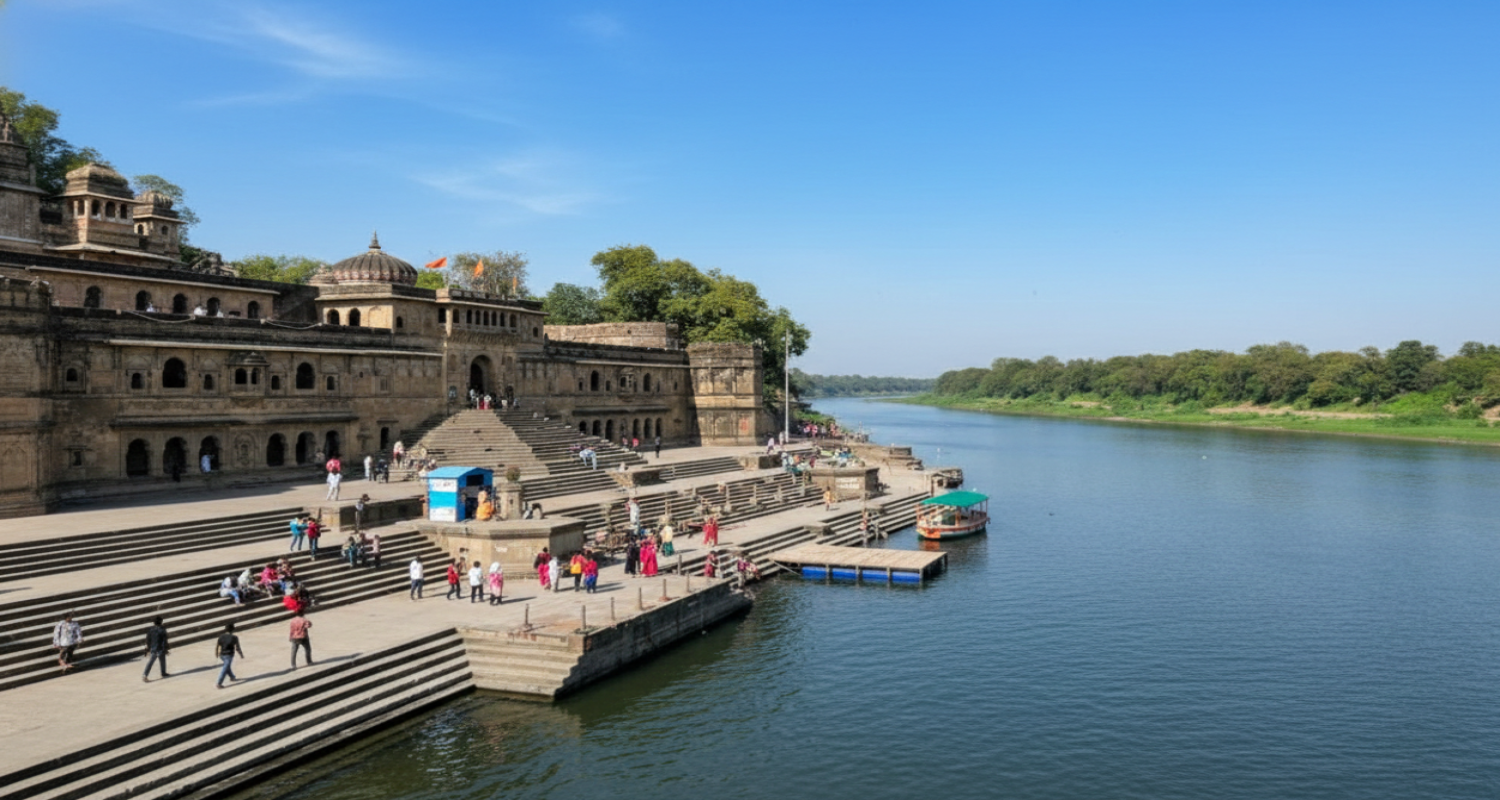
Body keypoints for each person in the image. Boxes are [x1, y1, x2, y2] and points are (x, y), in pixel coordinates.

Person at [215, 622, 245, 689]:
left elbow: (217, 646)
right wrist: (241, 654)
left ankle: (232, 677)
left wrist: (216, 653)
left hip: (222, 655)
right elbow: (237, 648)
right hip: (229, 655)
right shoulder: (234, 637)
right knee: (225, 668)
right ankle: (219, 683)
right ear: (233, 630)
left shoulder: (221, 636)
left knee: (227, 666)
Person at [141, 615, 169, 682]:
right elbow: (164, 640)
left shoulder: (151, 630)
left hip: (153, 648)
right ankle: (163, 672)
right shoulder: (162, 630)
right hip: (160, 648)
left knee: (151, 662)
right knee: (162, 660)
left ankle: (145, 674)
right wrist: (165, 648)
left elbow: (148, 639)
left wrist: (148, 647)